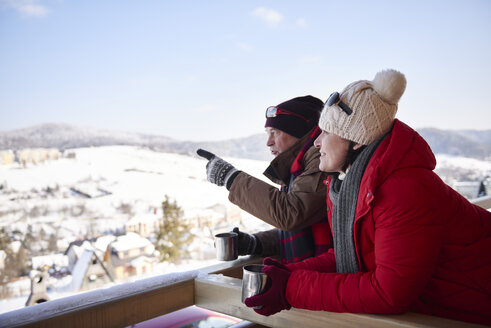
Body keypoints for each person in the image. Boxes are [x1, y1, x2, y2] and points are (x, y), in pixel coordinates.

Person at [244, 69, 491, 325]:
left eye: (326, 132)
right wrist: (286, 274)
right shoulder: (348, 185)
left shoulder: (404, 189)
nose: (317, 143)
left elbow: (389, 293)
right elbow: (349, 255)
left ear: (357, 142)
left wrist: (290, 288)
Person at [197, 95, 332, 264]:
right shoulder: (297, 168)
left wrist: (230, 178)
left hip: (322, 277)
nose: (268, 142)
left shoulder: (320, 159)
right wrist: (255, 243)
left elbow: (293, 214)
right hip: (309, 276)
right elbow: (299, 232)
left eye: (275, 133)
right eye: (268, 134)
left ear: (298, 131)